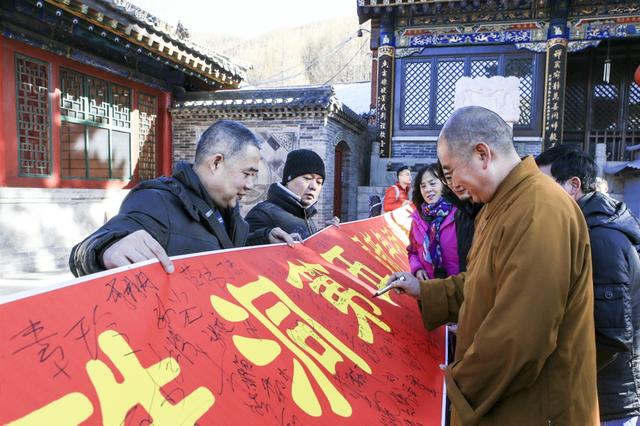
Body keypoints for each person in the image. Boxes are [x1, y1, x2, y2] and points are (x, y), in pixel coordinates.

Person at [385, 106, 599, 425]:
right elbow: (482, 283)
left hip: (537, 407)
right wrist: (425, 290)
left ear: (482, 154)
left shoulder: (539, 209)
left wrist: (460, 381)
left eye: (450, 172)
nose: (452, 185)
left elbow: (522, 332)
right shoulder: (498, 205)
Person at [69, 120, 296, 277]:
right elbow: (88, 250)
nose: (250, 185)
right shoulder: (155, 202)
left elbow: (222, 249)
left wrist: (264, 239)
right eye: (247, 174)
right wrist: (106, 248)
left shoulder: (226, 211)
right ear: (216, 163)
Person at [536, 145, 640, 425]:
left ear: (573, 186)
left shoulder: (600, 240)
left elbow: (612, 336)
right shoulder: (583, 229)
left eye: (543, 187)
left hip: (609, 399)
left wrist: (554, 372)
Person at [245, 149, 339, 240]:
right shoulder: (262, 213)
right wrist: (267, 237)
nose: (313, 186)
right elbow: (239, 247)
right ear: (288, 179)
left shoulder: (305, 213)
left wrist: (323, 235)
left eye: (319, 182)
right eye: (307, 178)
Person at [407, 164, 459, 281]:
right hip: (428, 289)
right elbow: (412, 252)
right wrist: (417, 269)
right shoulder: (417, 219)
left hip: (458, 289)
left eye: (432, 183)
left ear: (444, 184)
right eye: (423, 186)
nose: (428, 189)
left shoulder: (459, 214)